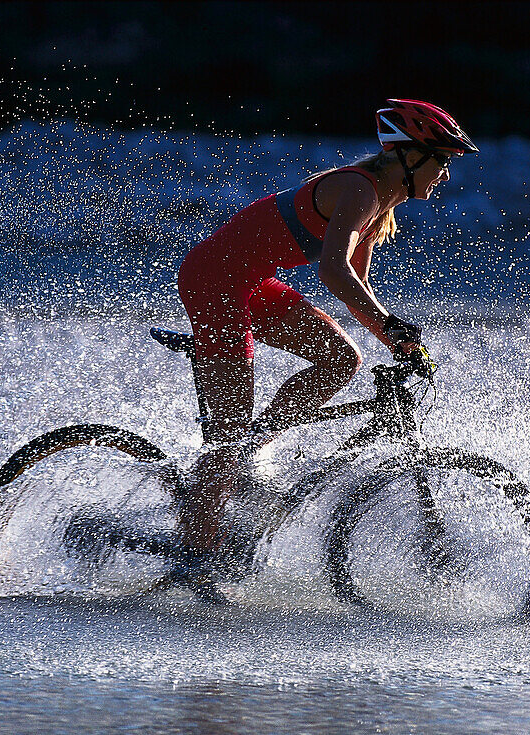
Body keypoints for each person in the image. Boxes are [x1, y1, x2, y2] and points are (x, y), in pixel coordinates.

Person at [173, 99, 479, 578]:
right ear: (409, 158)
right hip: (214, 280)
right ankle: (195, 555)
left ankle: (250, 456)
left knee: (340, 358)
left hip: (249, 284)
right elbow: (332, 271)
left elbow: (356, 286)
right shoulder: (358, 190)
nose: (444, 175)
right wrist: (392, 328)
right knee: (227, 439)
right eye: (440, 161)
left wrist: (396, 341)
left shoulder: (380, 204)